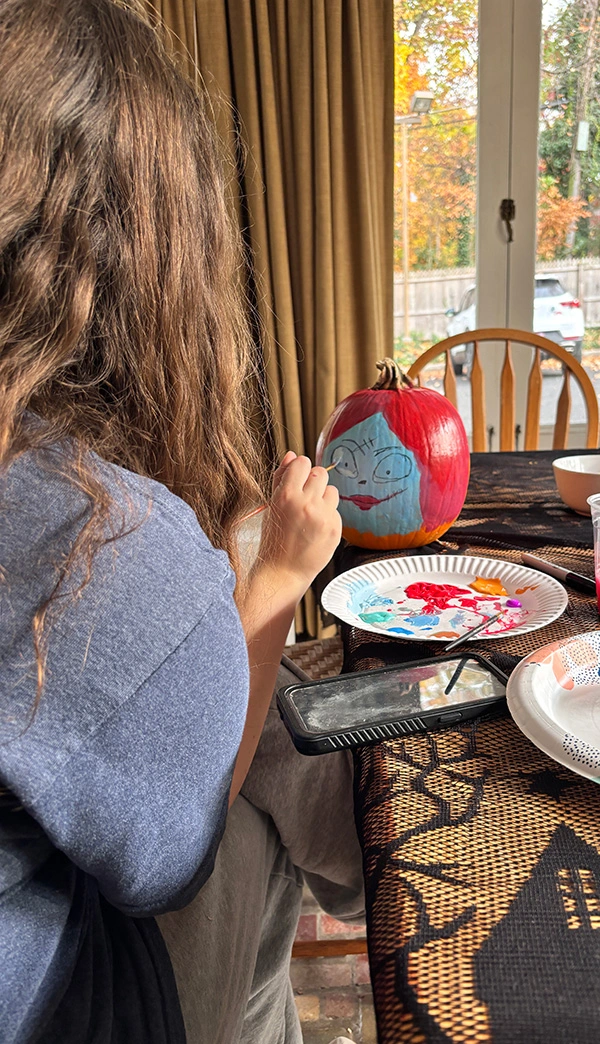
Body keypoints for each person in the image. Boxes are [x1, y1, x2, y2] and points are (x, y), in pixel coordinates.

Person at [0, 1, 363, 1042]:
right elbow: (179, 849)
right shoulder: (92, 540)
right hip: (67, 995)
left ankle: (356, 862)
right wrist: (277, 583)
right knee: (253, 816)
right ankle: (368, 868)